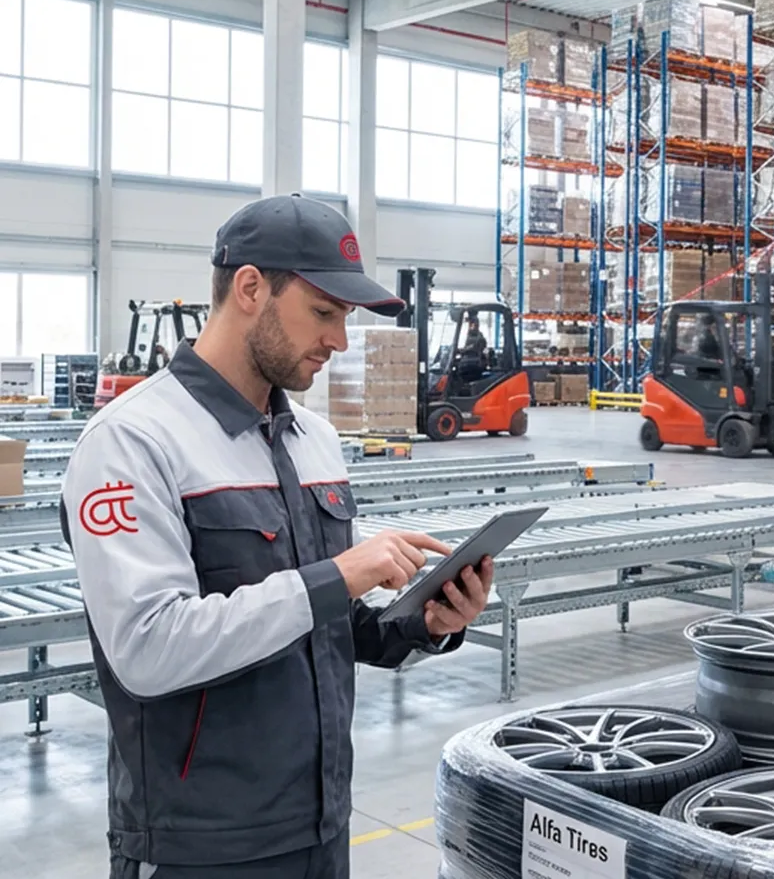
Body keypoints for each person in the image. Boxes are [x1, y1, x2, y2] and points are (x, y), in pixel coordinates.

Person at [60, 194, 495, 879]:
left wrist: (424, 624)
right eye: (324, 313)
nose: (340, 341)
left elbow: (329, 623)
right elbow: (147, 649)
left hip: (321, 825)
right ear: (250, 289)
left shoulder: (314, 438)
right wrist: (337, 576)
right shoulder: (131, 442)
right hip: (199, 848)